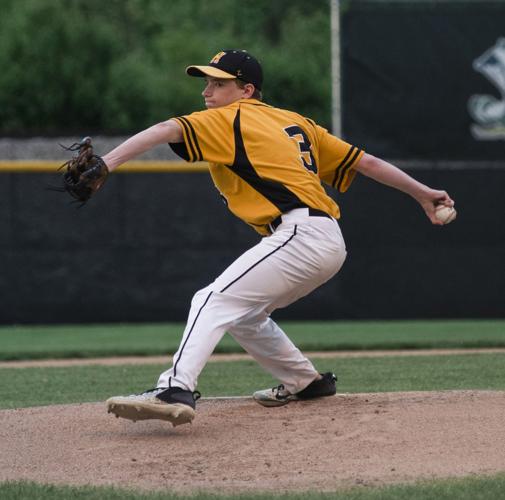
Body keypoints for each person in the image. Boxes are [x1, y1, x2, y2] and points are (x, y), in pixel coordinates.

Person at [105, 49, 455, 426]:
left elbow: (165, 130)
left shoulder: (229, 117)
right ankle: (305, 382)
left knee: (210, 299)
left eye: (218, 83)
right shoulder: (296, 122)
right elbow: (365, 162)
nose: (207, 91)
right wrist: (422, 192)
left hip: (299, 233)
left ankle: (174, 387)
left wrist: (105, 163)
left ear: (246, 90)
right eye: (207, 82)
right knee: (245, 315)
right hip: (325, 239)